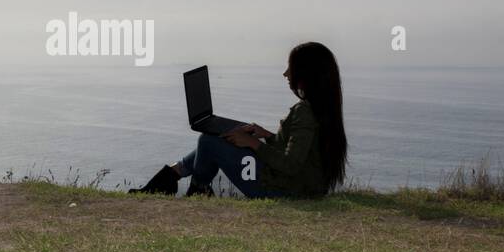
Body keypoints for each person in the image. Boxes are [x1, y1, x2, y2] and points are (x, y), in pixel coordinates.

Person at [132, 42, 348, 198]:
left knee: (208, 141)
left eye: (290, 68)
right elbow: (302, 152)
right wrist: (266, 136)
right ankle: (172, 177)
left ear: (305, 74)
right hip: (294, 185)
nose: (285, 74)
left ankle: (196, 190)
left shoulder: (305, 111)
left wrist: (253, 143)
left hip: (281, 189)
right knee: (220, 138)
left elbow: (291, 164)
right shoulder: (321, 108)